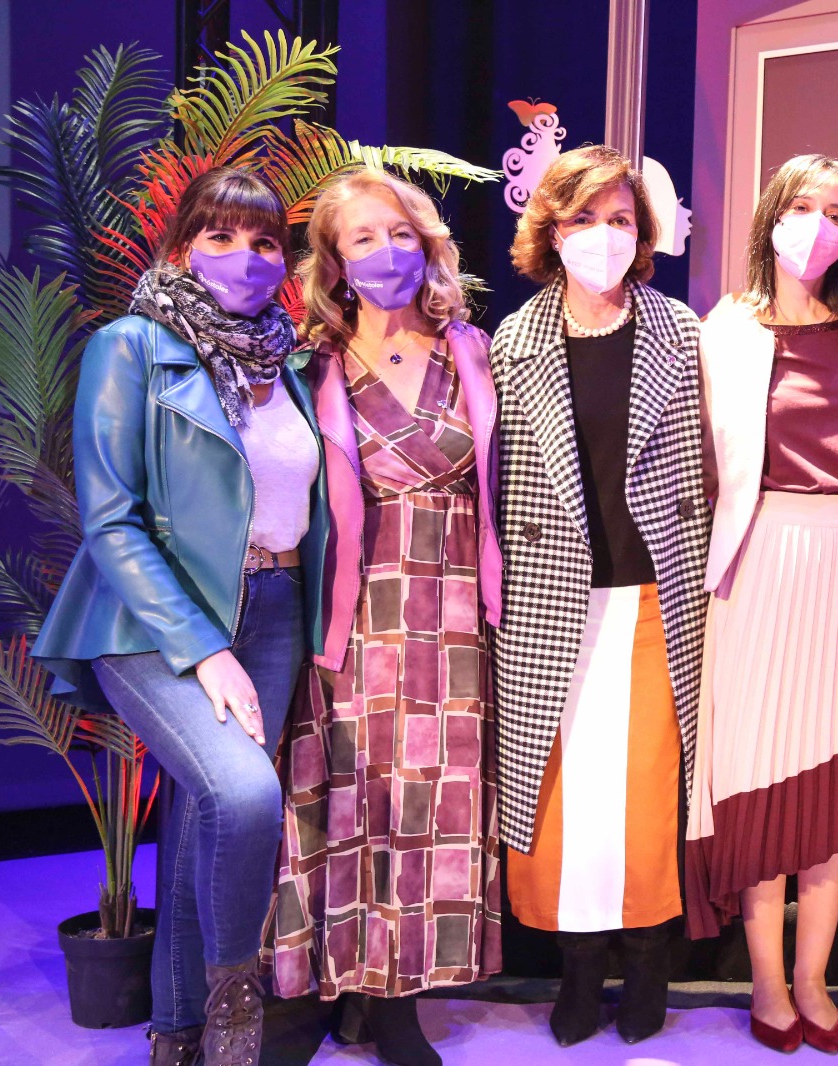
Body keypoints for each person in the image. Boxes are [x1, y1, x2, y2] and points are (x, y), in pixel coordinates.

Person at [33, 167, 325, 1066]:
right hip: (151, 622)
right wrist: (203, 648)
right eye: (220, 236)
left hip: (273, 607)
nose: (245, 258)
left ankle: (177, 1032)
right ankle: (235, 1018)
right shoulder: (131, 345)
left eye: (265, 242)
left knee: (205, 820)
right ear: (182, 248)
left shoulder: (287, 363)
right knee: (243, 794)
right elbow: (112, 519)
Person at [264, 168, 502, 1066]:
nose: (387, 251)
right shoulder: (309, 368)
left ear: (427, 243)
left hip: (454, 616)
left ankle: (397, 1001)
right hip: (358, 615)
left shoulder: (471, 349)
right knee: (353, 801)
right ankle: (332, 990)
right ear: (334, 259)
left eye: (401, 233)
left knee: (431, 809)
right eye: (364, 237)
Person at [687, 154, 838, 1055]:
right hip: (763, 560)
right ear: (769, 218)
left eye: (836, 212)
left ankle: (814, 978)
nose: (817, 226)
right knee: (761, 781)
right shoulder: (725, 330)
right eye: (800, 206)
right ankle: (766, 980)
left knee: (833, 784)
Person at [489, 144, 709, 1048]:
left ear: (643, 234)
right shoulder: (512, 343)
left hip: (658, 597)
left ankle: (648, 960)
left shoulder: (681, 331)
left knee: (647, 796)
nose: (603, 236)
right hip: (551, 602)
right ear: (550, 228)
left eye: (620, 220)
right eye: (584, 218)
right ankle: (579, 970)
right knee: (561, 800)